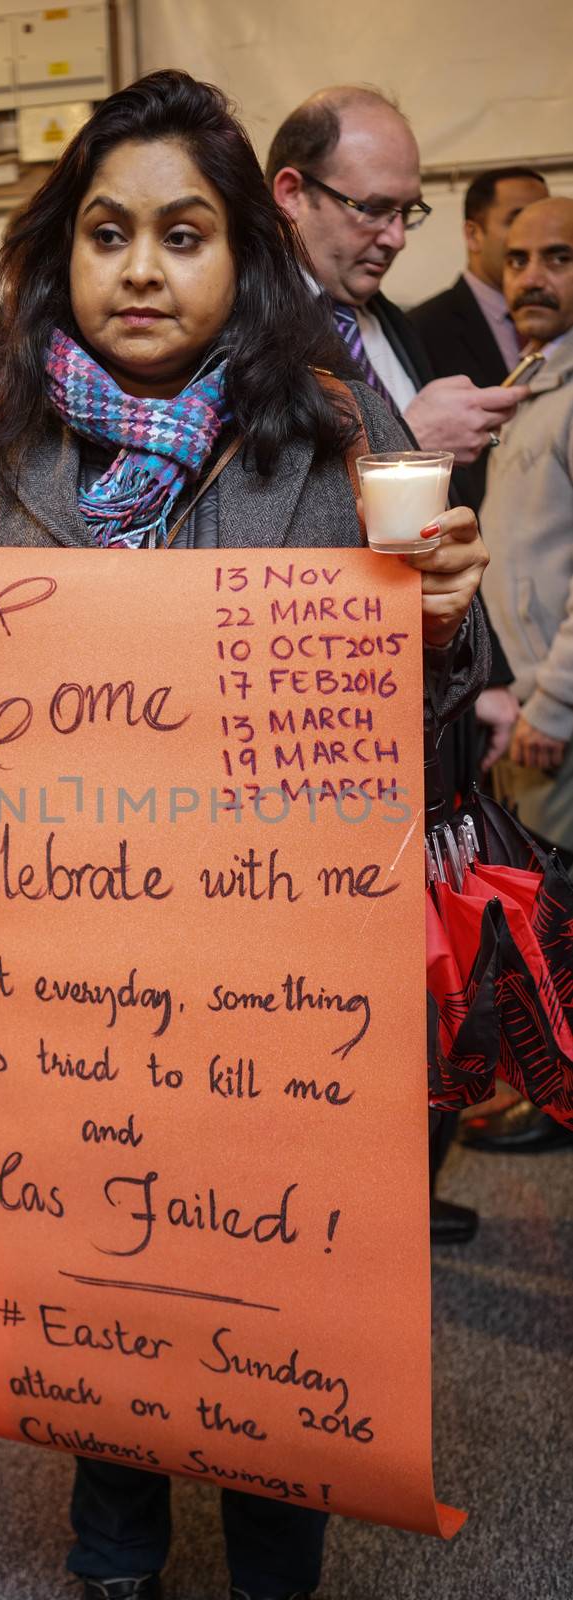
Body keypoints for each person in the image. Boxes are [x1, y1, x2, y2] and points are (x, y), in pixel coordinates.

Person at [0, 70, 491, 1600]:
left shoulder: (327, 428)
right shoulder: (3, 444)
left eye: (183, 232)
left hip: (284, 982)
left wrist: (433, 634)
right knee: (102, 1256)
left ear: (242, 249)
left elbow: (424, 735)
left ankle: (271, 1568)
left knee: (277, 1275)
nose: (141, 267)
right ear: (64, 251)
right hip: (75, 982)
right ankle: (112, 1558)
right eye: (107, 232)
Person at [265, 85, 508, 1239]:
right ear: (290, 192)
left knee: (427, 972)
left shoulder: (385, 320)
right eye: (372, 209)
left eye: (409, 213)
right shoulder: (255, 330)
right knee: (339, 992)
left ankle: (402, 1189)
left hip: (428, 695)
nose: (394, 237)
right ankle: (350, 1213)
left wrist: (482, 667)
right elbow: (291, 516)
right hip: (331, 732)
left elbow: (435, 538)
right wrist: (423, 440)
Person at [460, 196, 573, 1159]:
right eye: (520, 257)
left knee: (562, 919)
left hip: (553, 715)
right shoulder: (528, 385)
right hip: (524, 709)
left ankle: (558, 1098)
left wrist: (553, 704)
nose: (530, 276)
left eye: (559, 259)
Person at [410, 166, 548, 508]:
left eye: (544, 219)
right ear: (473, 234)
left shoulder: (559, 322)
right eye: (518, 219)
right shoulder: (421, 328)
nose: (535, 233)